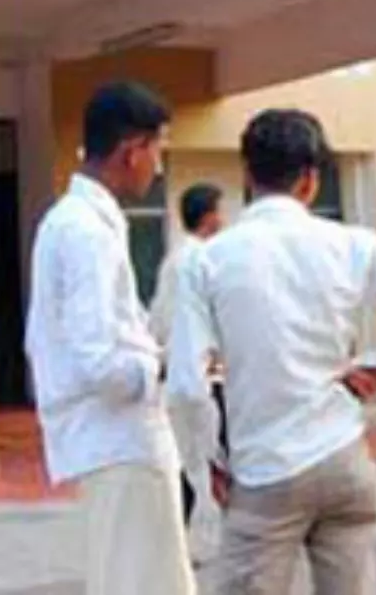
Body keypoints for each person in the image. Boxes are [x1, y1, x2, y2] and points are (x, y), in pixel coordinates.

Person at [169, 108, 376, 593]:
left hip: (264, 466)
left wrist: (210, 462)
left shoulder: (207, 261)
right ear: (310, 180)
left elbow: (187, 385)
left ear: (247, 173)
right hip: (343, 457)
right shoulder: (352, 245)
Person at [26, 81, 195, 595]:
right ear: (132, 151)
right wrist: (162, 367)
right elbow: (98, 361)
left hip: (118, 440)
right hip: (120, 440)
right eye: (157, 151)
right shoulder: (85, 232)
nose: (158, 168)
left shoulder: (77, 222)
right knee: (142, 583)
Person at [147, 182, 227, 564]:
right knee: (214, 461)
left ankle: (176, 545)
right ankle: (202, 544)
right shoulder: (206, 261)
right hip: (206, 377)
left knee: (185, 464)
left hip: (179, 377)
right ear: (209, 217)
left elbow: (158, 319)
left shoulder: (174, 261)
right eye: (220, 211)